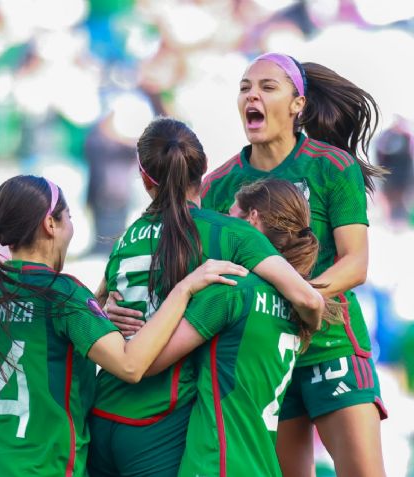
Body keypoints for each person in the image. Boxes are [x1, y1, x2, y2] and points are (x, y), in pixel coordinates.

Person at [0, 175, 246, 477]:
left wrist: (97, 317)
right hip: (38, 467)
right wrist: (184, 289)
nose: (71, 225)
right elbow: (130, 365)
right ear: (50, 224)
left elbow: (38, 341)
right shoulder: (61, 294)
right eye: (69, 216)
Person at [90, 118, 329, 477]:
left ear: (143, 177)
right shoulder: (228, 233)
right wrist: (303, 330)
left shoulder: (126, 237)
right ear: (203, 170)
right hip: (158, 423)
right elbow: (307, 299)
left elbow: (95, 309)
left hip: (102, 413)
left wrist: (108, 313)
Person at [203, 52, 389, 477]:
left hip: (332, 343)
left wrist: (297, 299)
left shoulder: (332, 167)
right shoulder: (216, 186)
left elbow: (356, 264)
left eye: (268, 87)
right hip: (266, 355)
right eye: (245, 87)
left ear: (297, 105)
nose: (253, 95)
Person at [142, 177, 335, 476]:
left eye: (231, 217)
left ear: (252, 221)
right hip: (263, 466)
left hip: (214, 464)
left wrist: (181, 290)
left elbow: (146, 362)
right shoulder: (296, 311)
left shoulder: (231, 291)